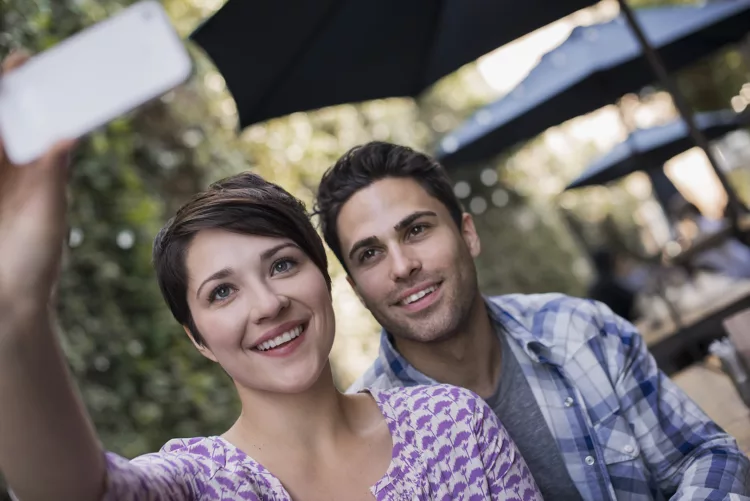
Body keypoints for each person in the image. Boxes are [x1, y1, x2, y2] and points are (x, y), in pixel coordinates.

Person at [0, 53, 542, 501]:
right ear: (198, 339)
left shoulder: (452, 425)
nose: (266, 304)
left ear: (324, 277)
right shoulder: (202, 482)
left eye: (282, 265)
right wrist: (16, 313)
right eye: (222, 292)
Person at [313, 141, 750, 501]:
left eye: (417, 230)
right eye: (370, 254)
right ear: (355, 289)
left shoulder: (583, 330)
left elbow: (703, 455)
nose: (403, 265)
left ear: (468, 234)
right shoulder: (364, 439)